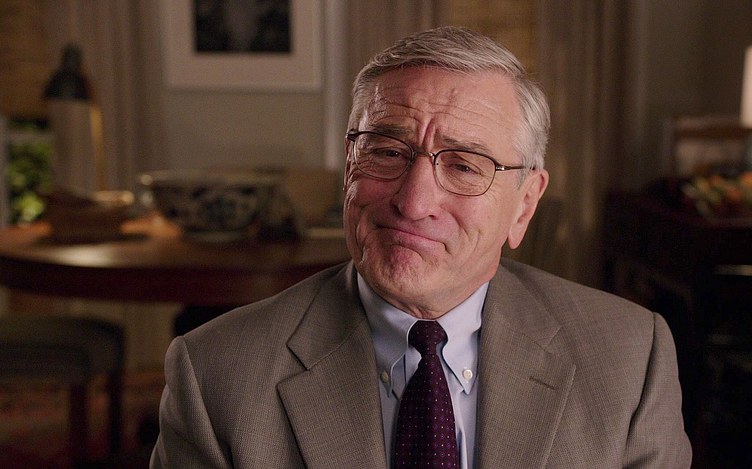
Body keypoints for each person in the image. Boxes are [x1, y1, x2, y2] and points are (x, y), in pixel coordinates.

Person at [151, 26, 692, 468]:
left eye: (464, 166)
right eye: (387, 152)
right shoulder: (217, 374)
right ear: (350, 165)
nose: (414, 202)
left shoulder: (628, 360)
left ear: (524, 204)